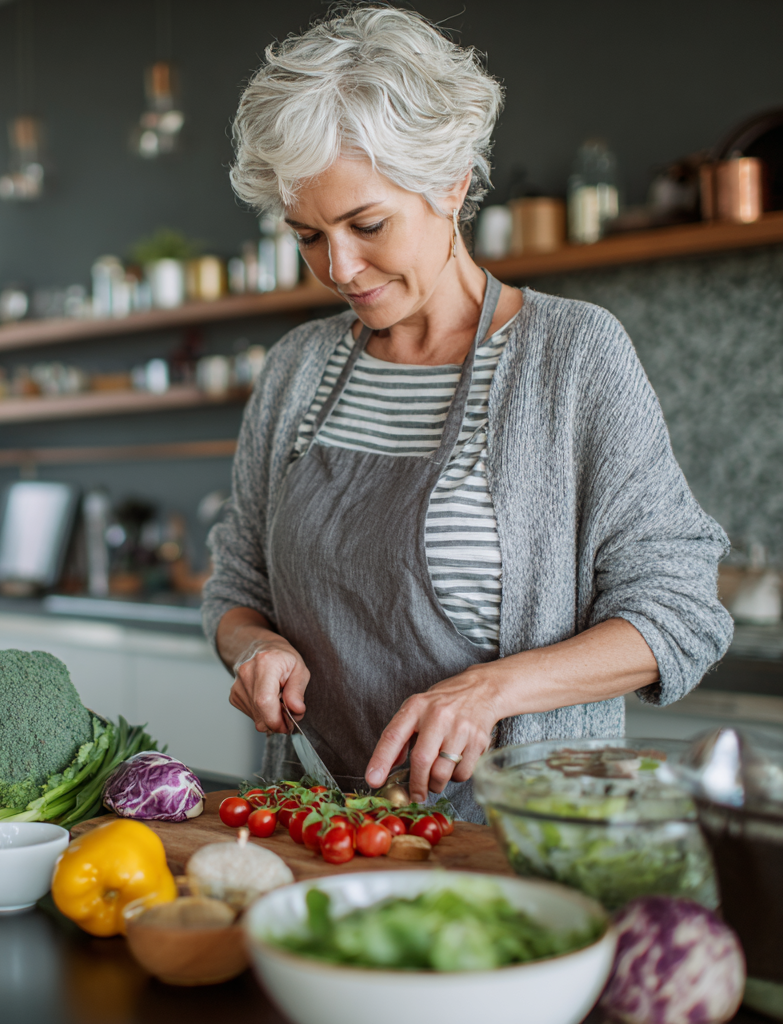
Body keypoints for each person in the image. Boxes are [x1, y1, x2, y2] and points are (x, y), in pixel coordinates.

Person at [201, 6, 732, 820]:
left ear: (450, 185)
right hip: (321, 833)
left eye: (366, 224)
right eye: (307, 234)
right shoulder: (296, 369)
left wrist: (493, 689)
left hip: (522, 840)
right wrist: (255, 646)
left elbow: (681, 612)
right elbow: (236, 585)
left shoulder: (572, 355)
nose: (339, 267)